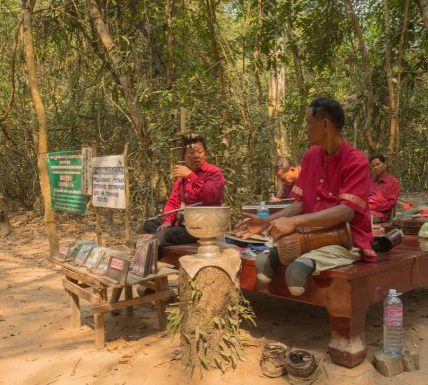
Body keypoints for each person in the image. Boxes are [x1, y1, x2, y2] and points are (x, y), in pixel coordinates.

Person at [236, 97, 376, 296]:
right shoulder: (311, 156)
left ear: (325, 124)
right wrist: (265, 223)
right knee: (264, 259)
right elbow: (299, 204)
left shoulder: (356, 160)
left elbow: (346, 212)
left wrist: (294, 222)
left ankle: (306, 261)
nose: (305, 129)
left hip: (344, 237)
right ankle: (294, 255)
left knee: (296, 270)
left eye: (309, 123)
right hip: (309, 234)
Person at [140, 134, 225, 253]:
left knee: (167, 234)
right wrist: (168, 221)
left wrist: (190, 176)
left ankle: (149, 256)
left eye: (199, 152)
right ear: (183, 155)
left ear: (205, 153)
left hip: (200, 227)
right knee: (150, 225)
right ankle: (153, 248)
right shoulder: (182, 177)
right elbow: (173, 201)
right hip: (181, 223)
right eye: (191, 152)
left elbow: (209, 197)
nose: (196, 156)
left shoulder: (214, 172)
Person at [368, 154, 400, 223]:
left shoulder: (393, 182)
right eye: (373, 166)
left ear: (384, 164)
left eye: (378, 164)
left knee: (359, 219)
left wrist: (372, 206)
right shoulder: (370, 180)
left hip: (380, 215)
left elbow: (391, 204)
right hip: (365, 211)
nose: (375, 167)